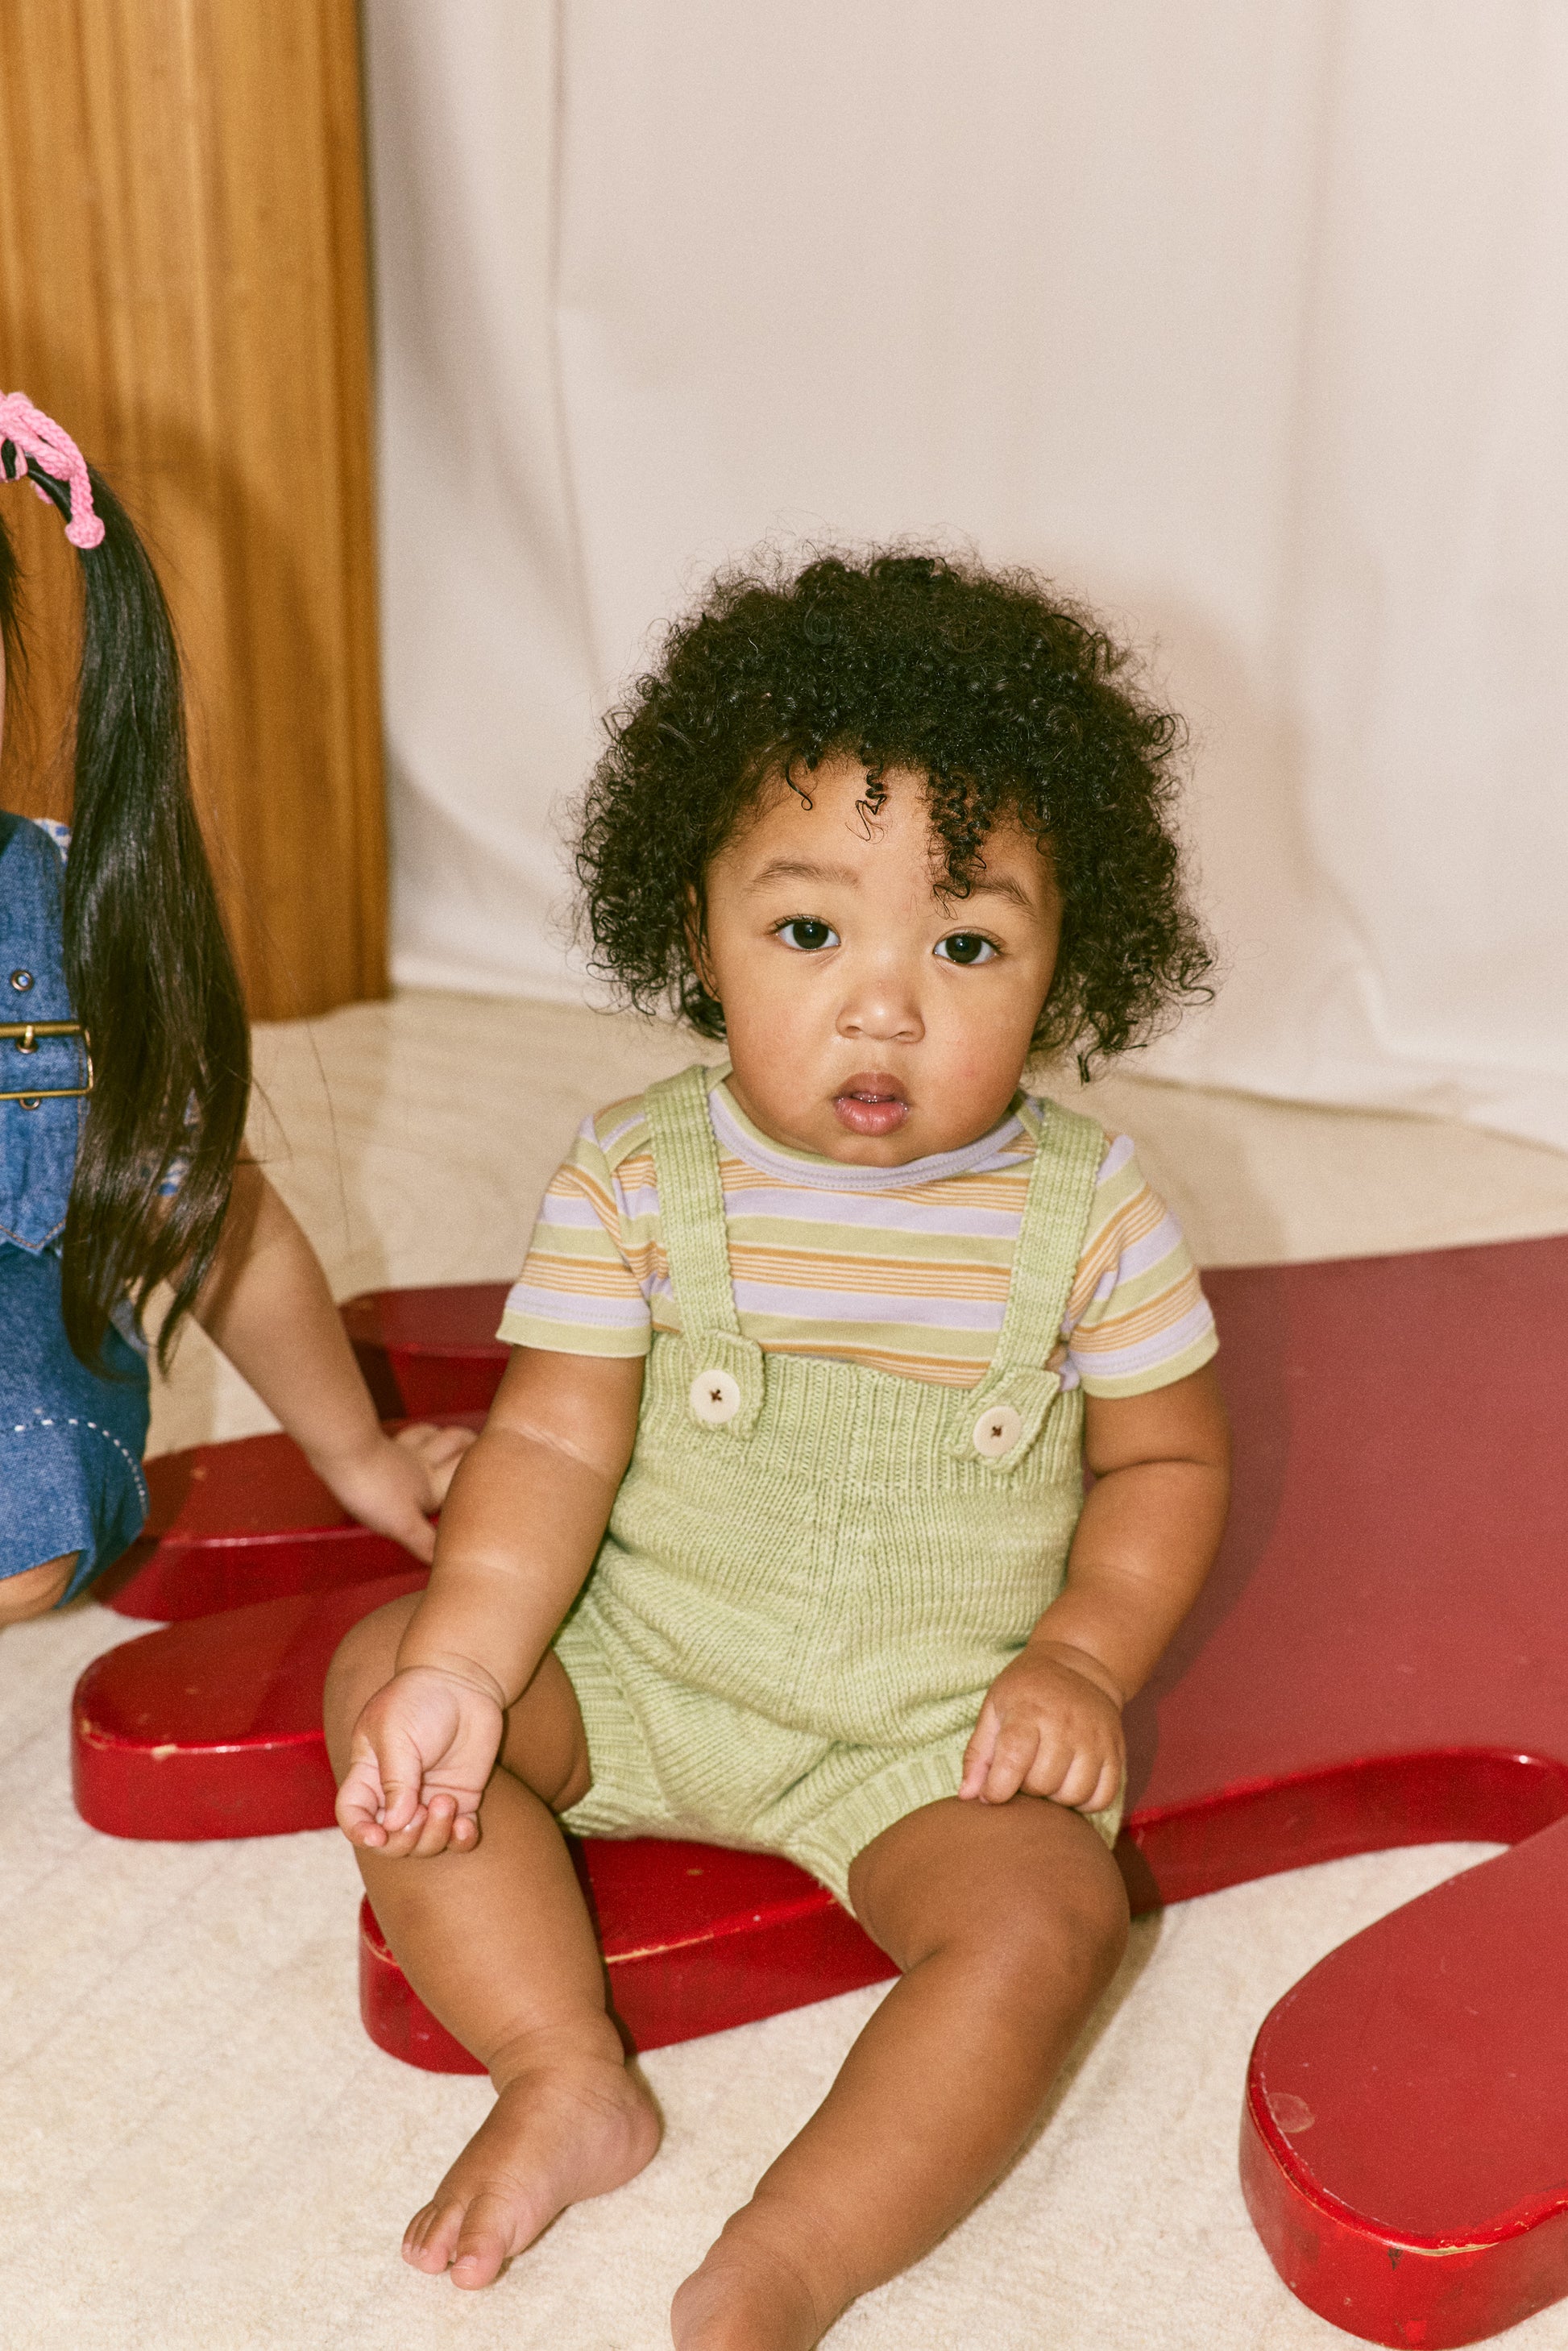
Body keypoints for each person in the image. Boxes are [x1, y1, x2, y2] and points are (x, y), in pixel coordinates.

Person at [327, 549, 1232, 2350]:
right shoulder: (634, 1175)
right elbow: (549, 1446)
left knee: (1051, 1915)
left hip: (926, 1731)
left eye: (964, 944)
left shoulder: (1093, 1210)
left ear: (1067, 961)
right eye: (810, 934)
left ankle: (796, 2255)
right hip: (645, 1662)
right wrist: (466, 1665)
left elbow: (1166, 1467)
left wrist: (1077, 1659)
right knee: (385, 1681)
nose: (883, 1007)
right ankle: (560, 2067)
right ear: (698, 927)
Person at [0, 393, 471, 1623]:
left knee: (21, 1518)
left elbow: (213, 1224)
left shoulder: (68, 928)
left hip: (12, 1366)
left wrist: (356, 1453)